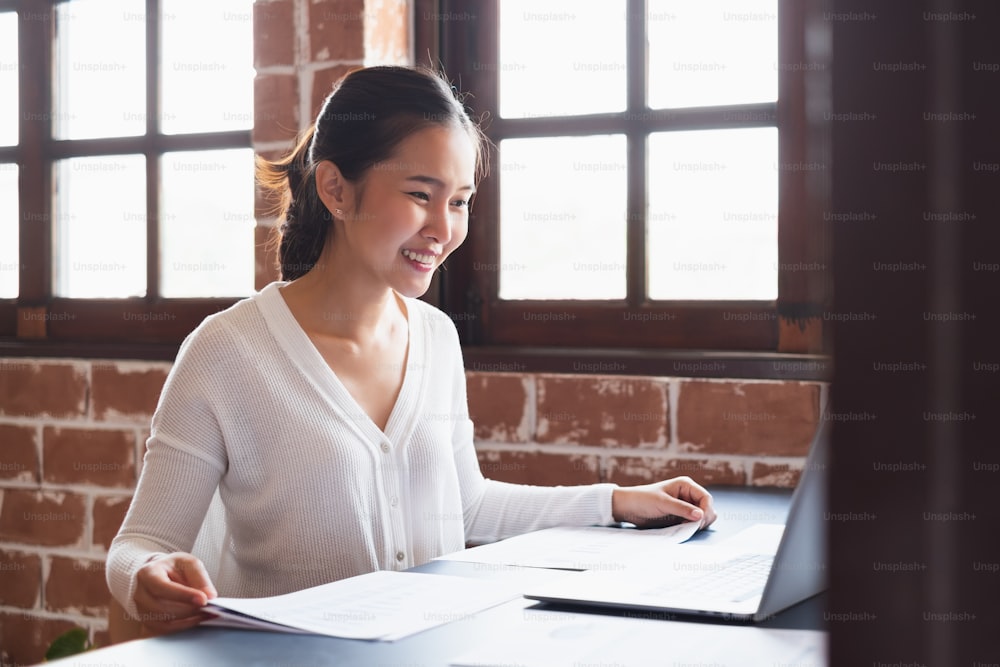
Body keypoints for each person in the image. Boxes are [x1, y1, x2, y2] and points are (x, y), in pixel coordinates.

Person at [106, 65, 717, 635]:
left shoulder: (434, 335)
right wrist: (145, 577)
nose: (444, 229)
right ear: (336, 191)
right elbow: (140, 544)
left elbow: (466, 503)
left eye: (459, 202)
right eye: (421, 195)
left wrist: (617, 503)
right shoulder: (226, 352)